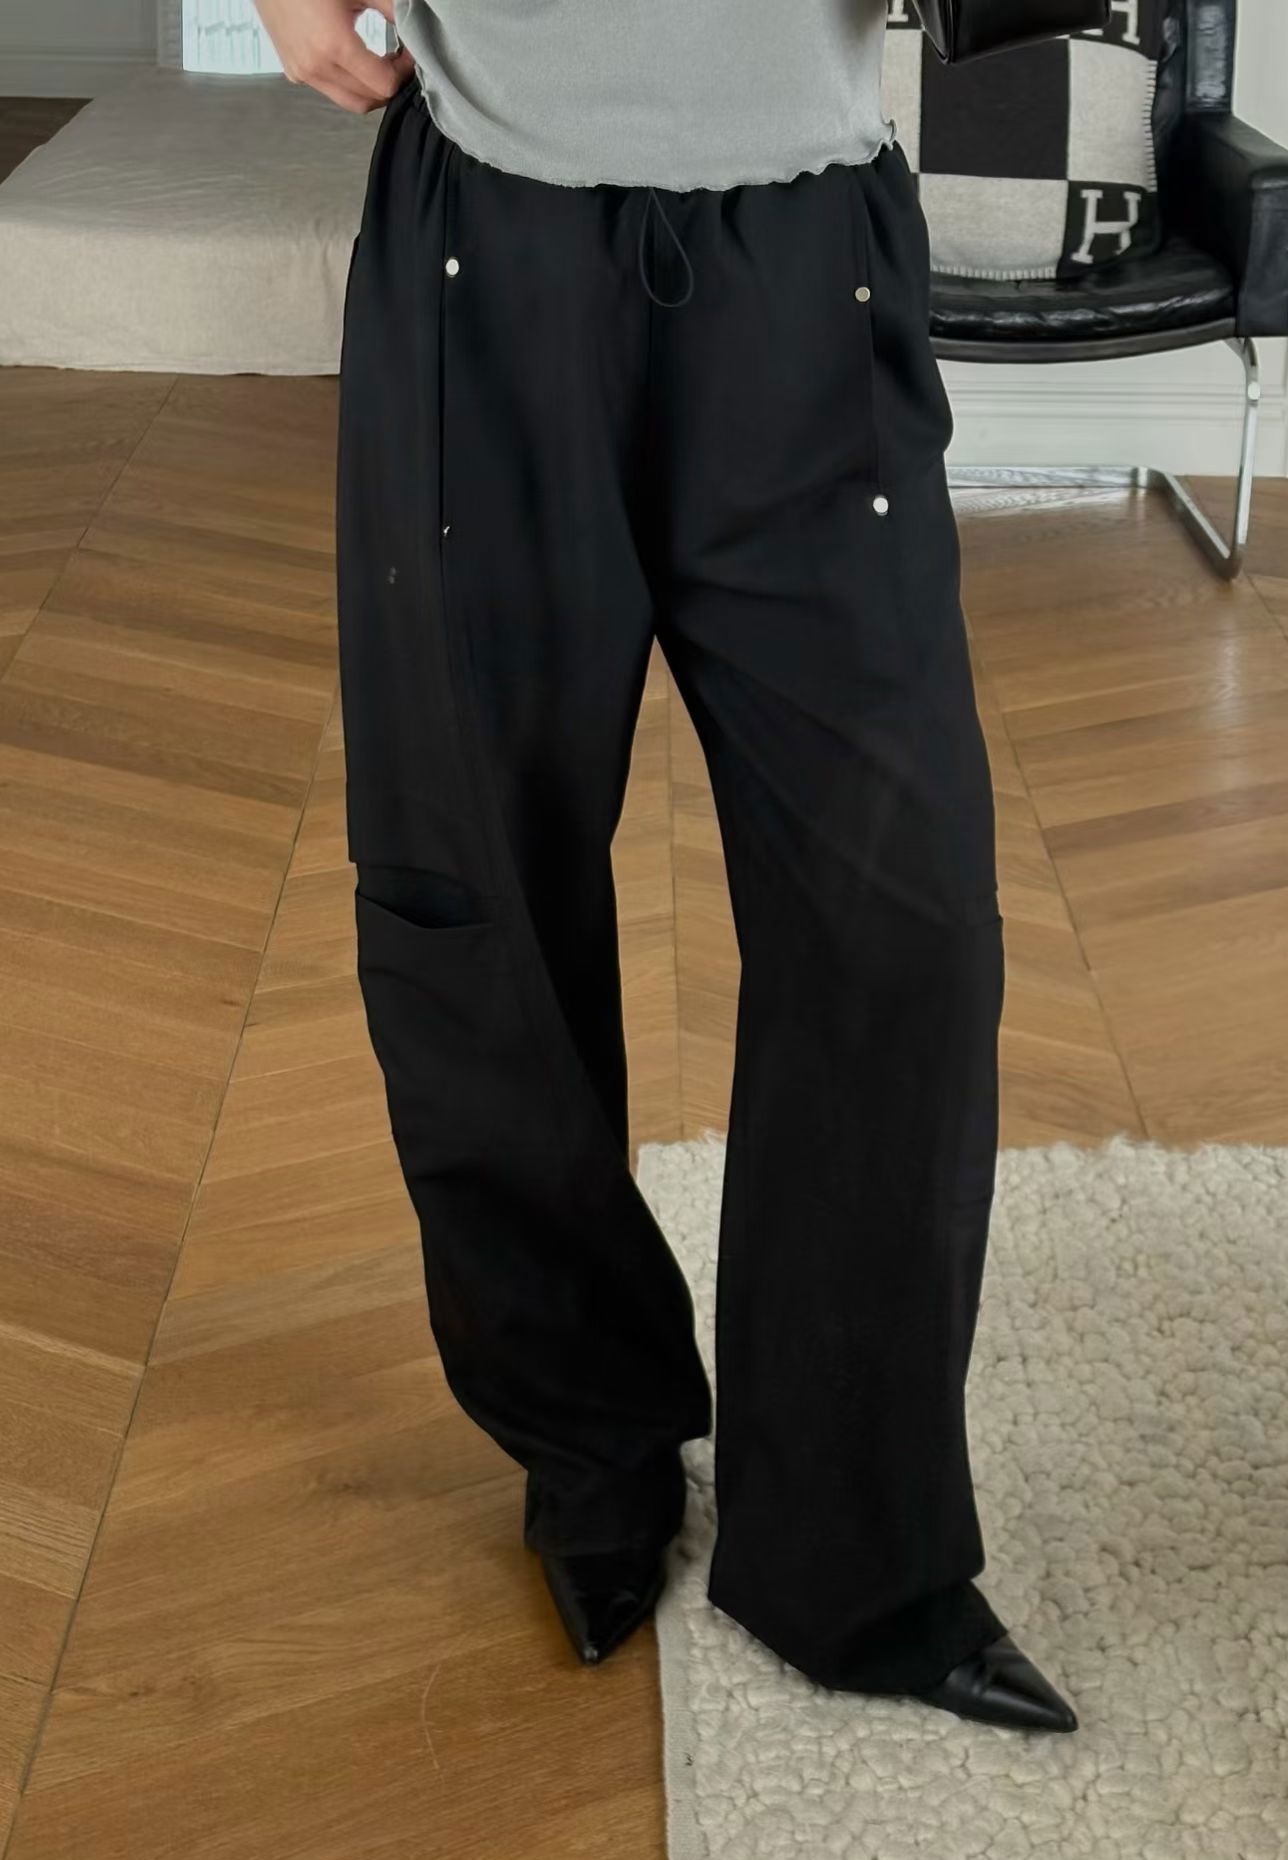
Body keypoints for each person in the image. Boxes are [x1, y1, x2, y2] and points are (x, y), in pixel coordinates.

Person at [258, 0, 1078, 1734]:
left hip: (808, 249)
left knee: (904, 926)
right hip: (488, 235)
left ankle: (858, 1549)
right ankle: (592, 1445)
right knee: (476, 897)